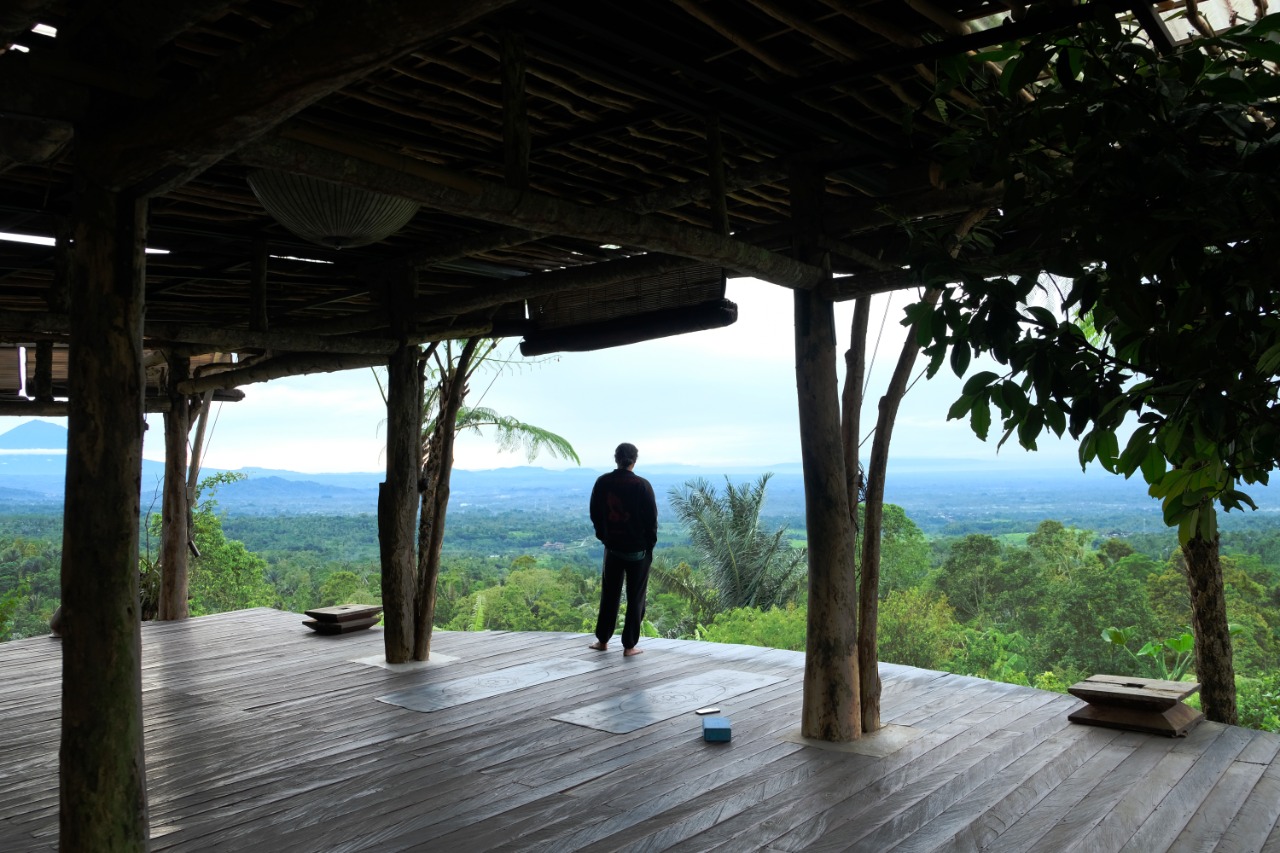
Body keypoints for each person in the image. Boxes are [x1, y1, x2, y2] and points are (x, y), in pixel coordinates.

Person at [588, 442, 658, 657]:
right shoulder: (642, 485)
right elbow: (651, 520)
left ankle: (602, 641)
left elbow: (595, 513)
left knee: (610, 594)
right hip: (638, 551)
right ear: (634, 460)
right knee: (635, 597)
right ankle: (629, 646)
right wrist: (648, 547)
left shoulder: (603, 482)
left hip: (613, 548)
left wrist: (605, 538)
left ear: (616, 458)